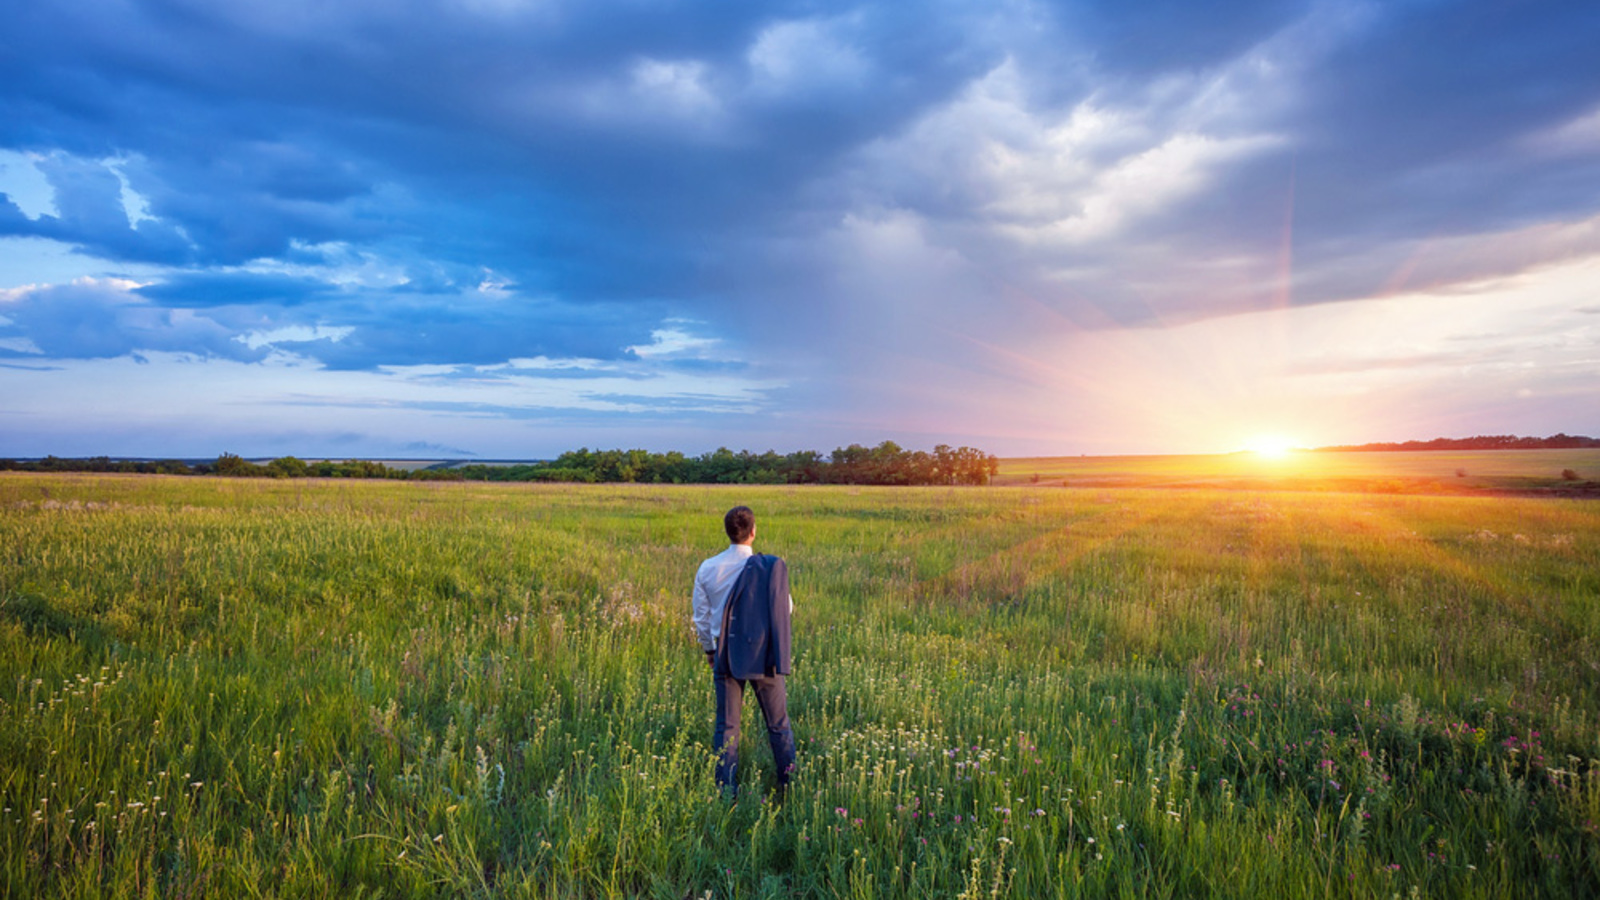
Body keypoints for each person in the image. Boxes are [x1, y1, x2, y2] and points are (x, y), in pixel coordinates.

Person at [692, 505, 796, 794]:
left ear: (728, 532)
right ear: (753, 532)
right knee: (778, 725)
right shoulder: (770, 568)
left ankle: (726, 791)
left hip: (725, 655)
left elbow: (701, 617)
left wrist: (709, 651)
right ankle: (789, 785)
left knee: (727, 728)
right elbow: (786, 609)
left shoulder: (708, 567)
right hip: (764, 656)